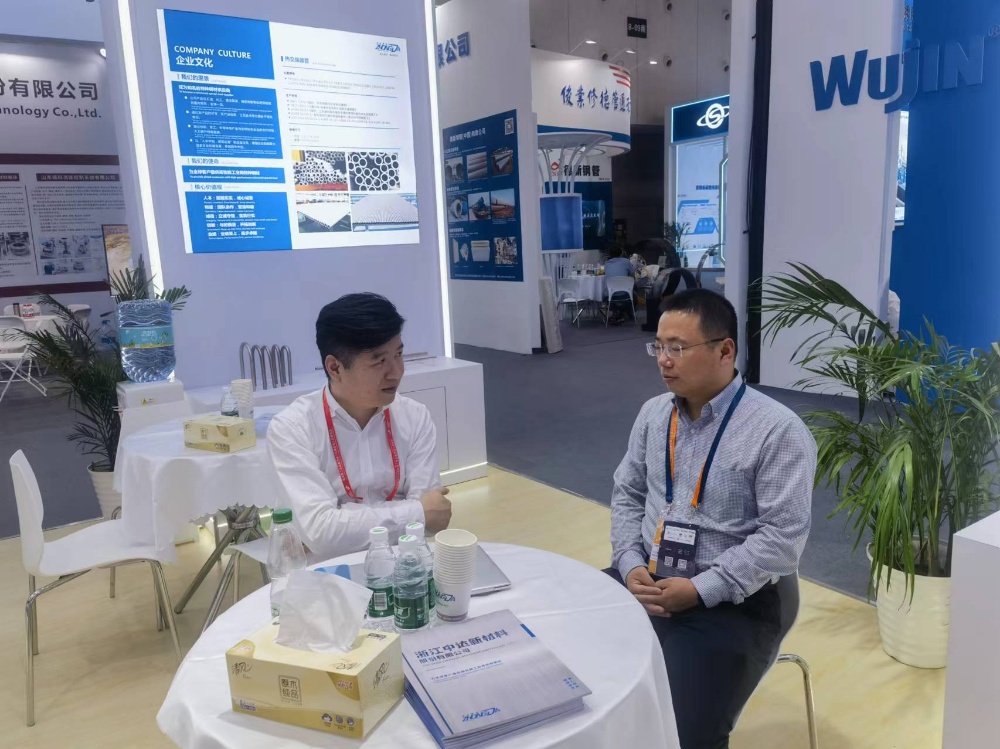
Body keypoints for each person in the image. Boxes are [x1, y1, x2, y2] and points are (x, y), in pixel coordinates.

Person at [607, 289, 816, 749]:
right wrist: (629, 563)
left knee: (682, 733)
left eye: (678, 347)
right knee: (576, 667)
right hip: (647, 577)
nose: (664, 360)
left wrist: (701, 589)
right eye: (658, 346)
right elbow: (628, 493)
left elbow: (781, 539)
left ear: (725, 351)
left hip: (737, 599)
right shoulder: (653, 414)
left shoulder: (777, 430)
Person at [267, 293, 452, 558]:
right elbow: (322, 534)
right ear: (335, 367)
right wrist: (416, 512)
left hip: (404, 566)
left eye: (399, 354)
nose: (396, 372)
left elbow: (433, 520)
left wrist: (343, 521)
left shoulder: (414, 417)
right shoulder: (293, 428)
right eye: (379, 361)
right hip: (324, 571)